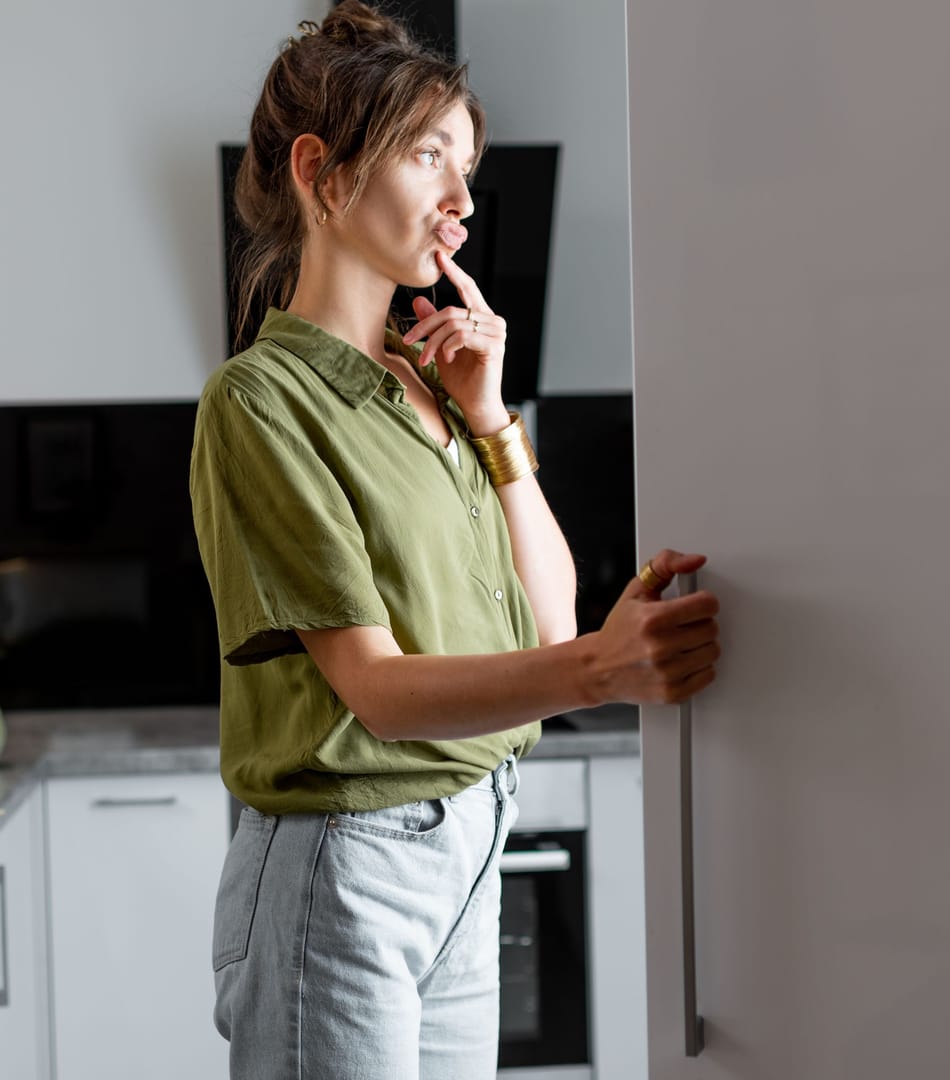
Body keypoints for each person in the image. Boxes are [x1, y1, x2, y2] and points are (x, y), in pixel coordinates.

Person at [188, 4, 721, 1076]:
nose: (462, 199)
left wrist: (491, 421)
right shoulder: (262, 400)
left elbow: (555, 613)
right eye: (428, 154)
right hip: (347, 860)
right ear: (322, 171)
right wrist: (598, 674)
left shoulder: (433, 386)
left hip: (472, 840)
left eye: (466, 162)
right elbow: (377, 692)